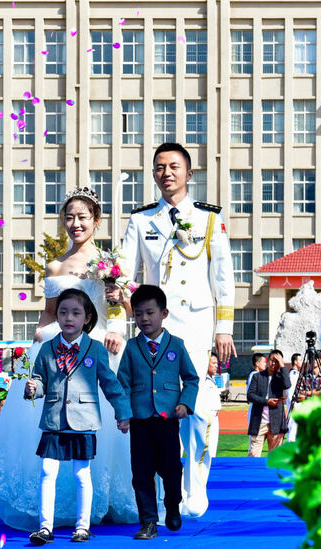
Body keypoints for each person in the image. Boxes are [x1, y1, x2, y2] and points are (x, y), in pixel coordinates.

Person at [0, 188, 136, 530]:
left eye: (83, 217)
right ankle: (54, 508)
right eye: (69, 217)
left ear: (96, 220)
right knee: (48, 425)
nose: (75, 224)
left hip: (97, 349)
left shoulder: (109, 263)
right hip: (57, 350)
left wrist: (117, 329)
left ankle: (101, 502)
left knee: (100, 429)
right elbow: (49, 314)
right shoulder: (54, 265)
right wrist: (38, 337)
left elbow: (119, 305)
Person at [117, 142, 236, 516]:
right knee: (157, 415)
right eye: (158, 168)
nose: (166, 173)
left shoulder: (209, 219)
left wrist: (225, 328)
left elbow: (223, 277)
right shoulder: (141, 221)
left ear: (188, 173)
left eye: (173, 166)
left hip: (198, 329)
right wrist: (120, 321)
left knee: (198, 410)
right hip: (155, 332)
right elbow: (121, 276)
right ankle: (165, 493)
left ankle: (195, 487)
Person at [25, 289, 132, 544]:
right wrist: (33, 389)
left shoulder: (95, 349)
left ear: (86, 318)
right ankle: (45, 528)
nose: (68, 318)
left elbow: (111, 384)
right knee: (47, 471)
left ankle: (82, 527)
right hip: (53, 421)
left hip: (83, 422)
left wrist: (123, 414)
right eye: (63, 312)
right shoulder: (47, 349)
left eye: (75, 312)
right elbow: (40, 381)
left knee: (81, 474)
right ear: (57, 317)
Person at [116, 285, 200, 540]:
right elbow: (122, 383)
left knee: (172, 470)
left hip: (168, 420)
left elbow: (192, 379)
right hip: (140, 420)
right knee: (141, 473)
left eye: (150, 312)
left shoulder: (177, 345)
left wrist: (185, 404)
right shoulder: (131, 347)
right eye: (138, 313)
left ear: (164, 313)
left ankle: (173, 504)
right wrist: (123, 413)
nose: (144, 319)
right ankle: (148, 522)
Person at [247, 350, 291, 457]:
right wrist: (267, 401)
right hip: (259, 422)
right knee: (253, 455)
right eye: (272, 360)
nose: (273, 363)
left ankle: (272, 475)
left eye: (276, 361)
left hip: (276, 422)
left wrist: (282, 366)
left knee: (274, 458)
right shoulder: (257, 376)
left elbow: (287, 385)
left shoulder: (280, 377)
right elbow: (250, 395)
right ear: (267, 361)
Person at [198, 352, 222, 458]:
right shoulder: (202, 380)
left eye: (217, 363)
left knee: (212, 448)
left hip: (214, 417)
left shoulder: (211, 379)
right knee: (205, 448)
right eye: (213, 363)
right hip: (207, 416)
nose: (216, 366)